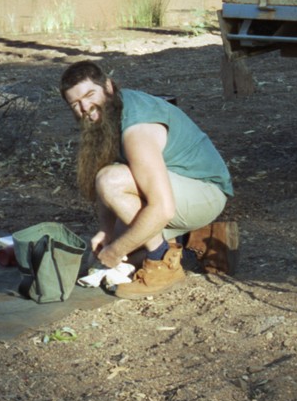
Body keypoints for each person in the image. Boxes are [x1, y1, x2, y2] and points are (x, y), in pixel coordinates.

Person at [59, 60, 233, 297]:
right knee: (122, 259)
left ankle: (163, 263)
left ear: (108, 87)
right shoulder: (109, 112)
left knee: (111, 183)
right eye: (75, 104)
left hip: (205, 191)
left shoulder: (137, 128)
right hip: (173, 189)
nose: (85, 107)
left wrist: (116, 249)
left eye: (90, 95)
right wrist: (107, 232)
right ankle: (201, 237)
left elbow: (162, 208)